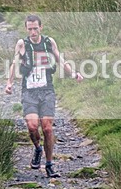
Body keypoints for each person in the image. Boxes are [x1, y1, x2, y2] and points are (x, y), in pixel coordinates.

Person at [5, 14, 83, 178]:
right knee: (32, 126)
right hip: (29, 92)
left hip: (47, 91)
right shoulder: (22, 44)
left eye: (35, 28)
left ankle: (49, 165)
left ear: (41, 27)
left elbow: (61, 60)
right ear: (26, 29)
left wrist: (73, 74)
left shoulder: (49, 42)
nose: (33, 32)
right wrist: (9, 83)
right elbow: (14, 64)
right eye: (30, 29)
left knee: (47, 128)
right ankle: (38, 148)